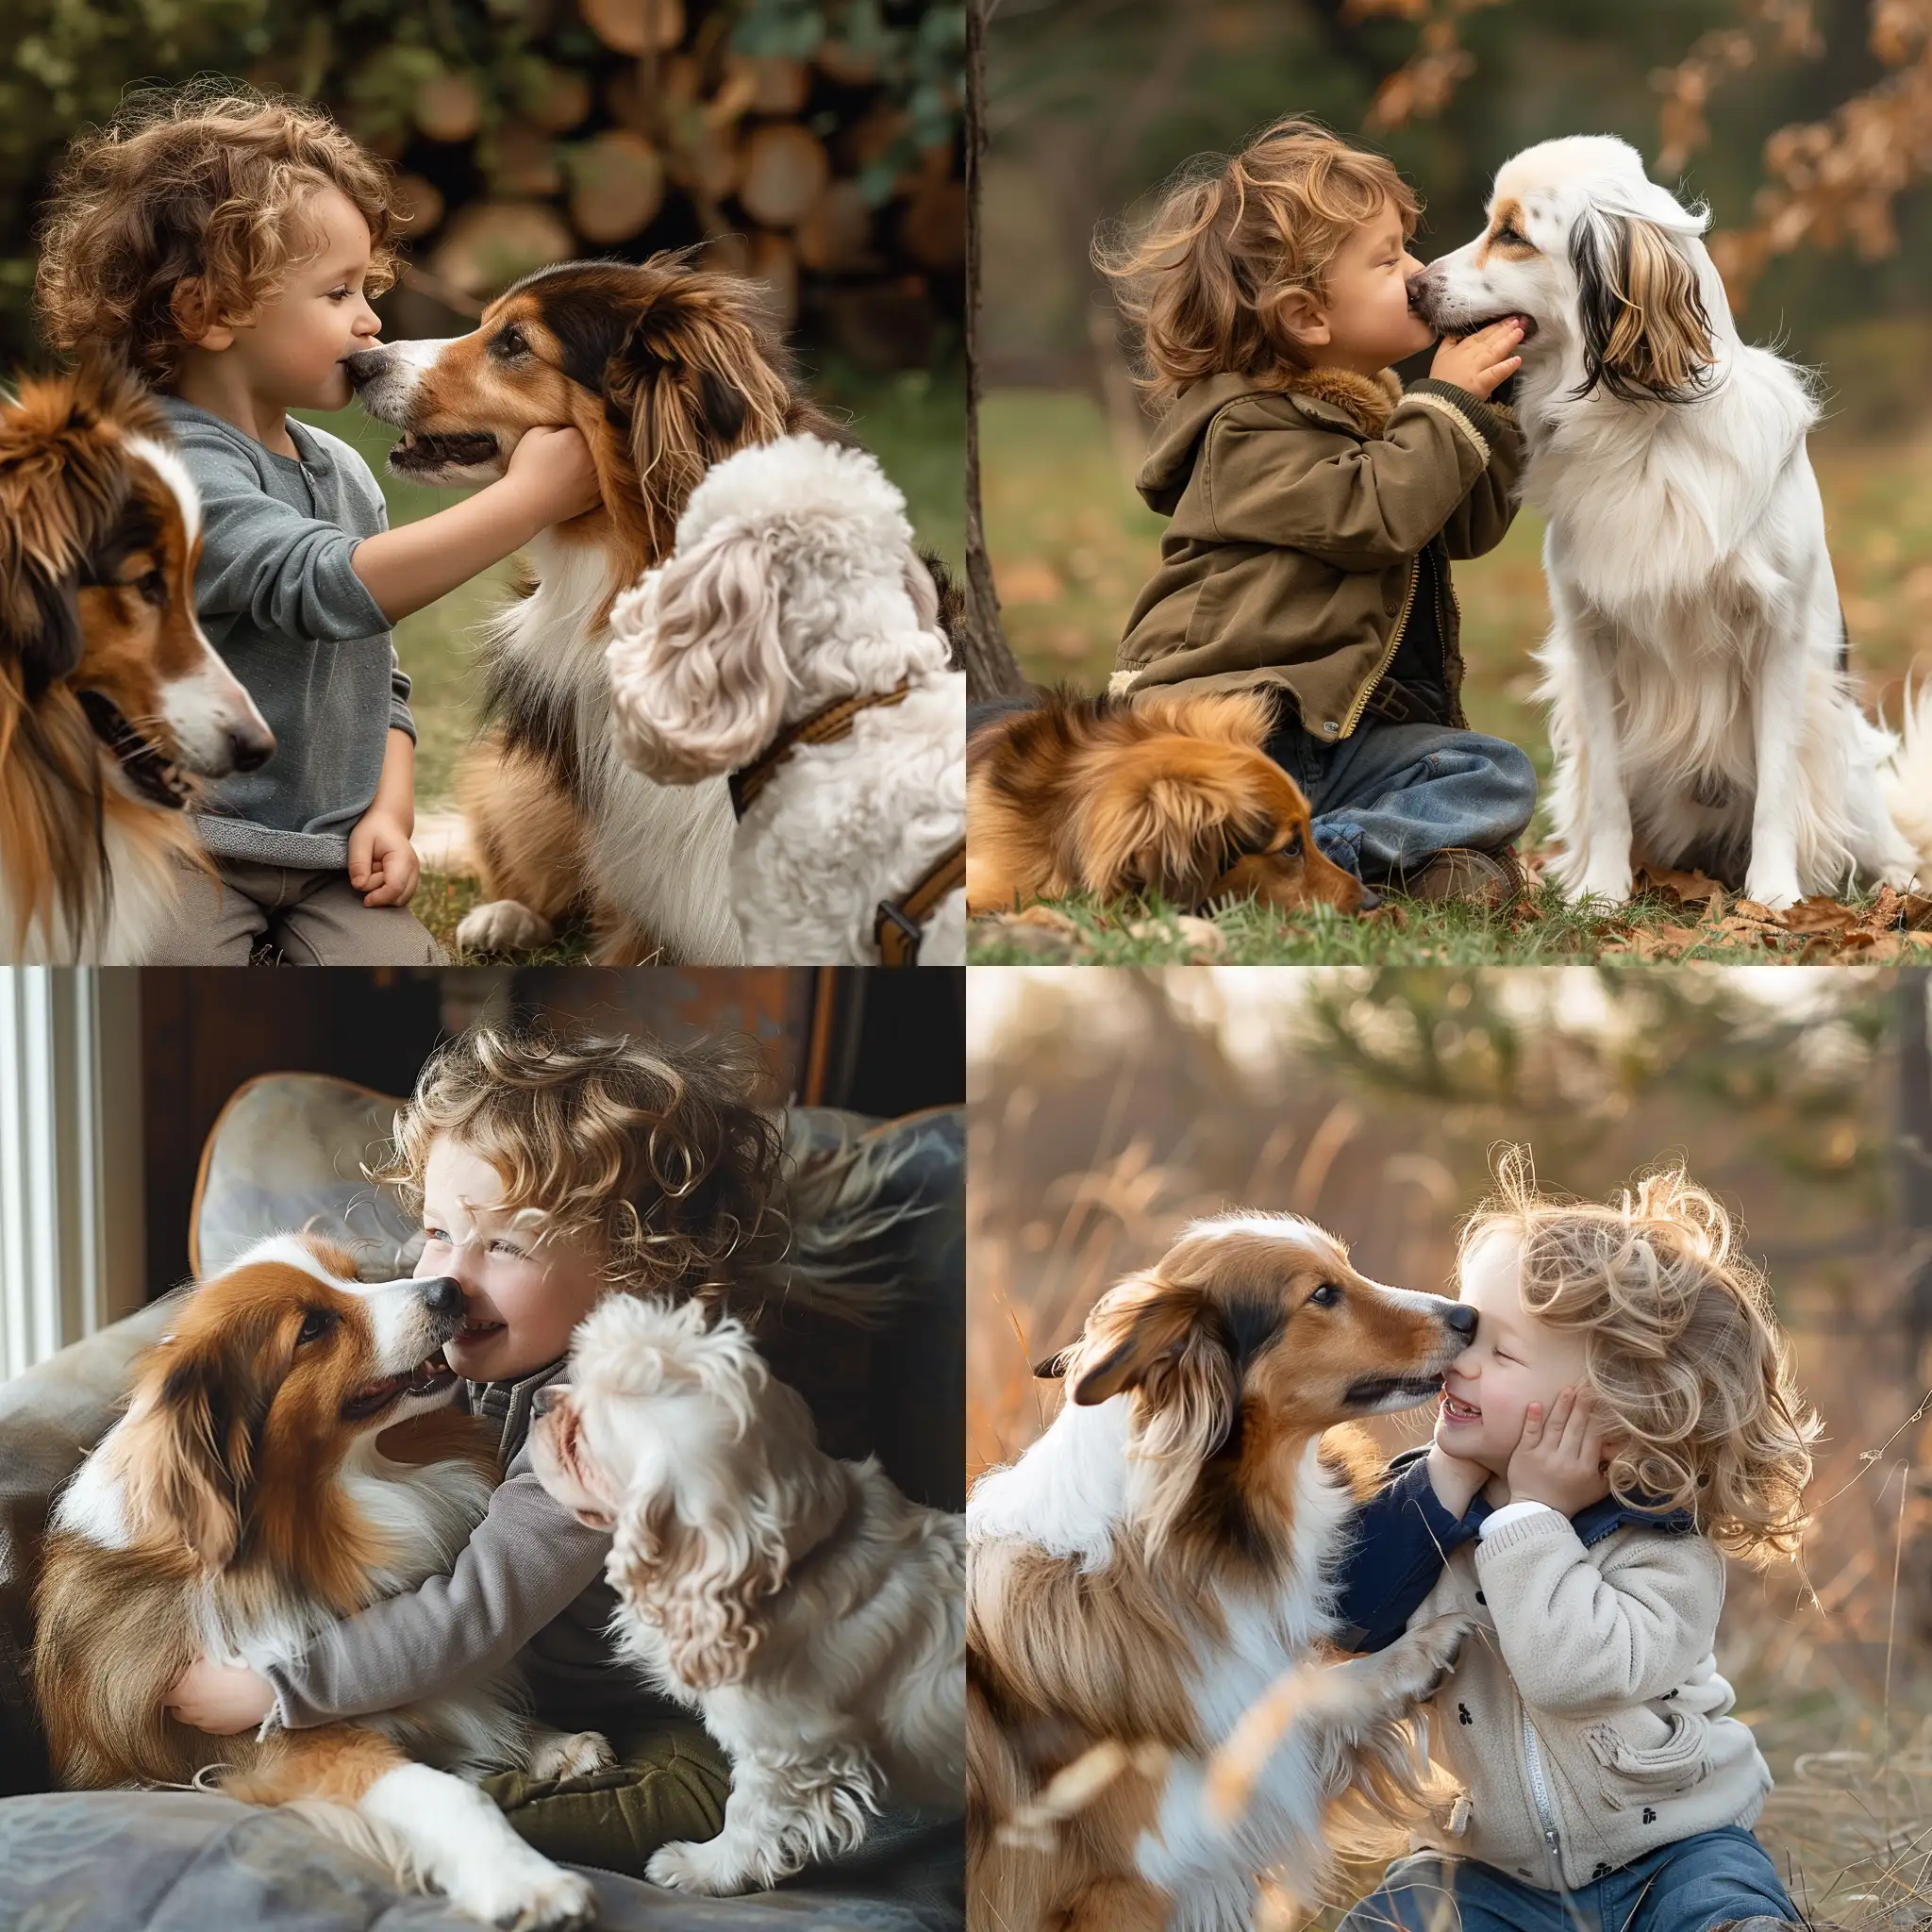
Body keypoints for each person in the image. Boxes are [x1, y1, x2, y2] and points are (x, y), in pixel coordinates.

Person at [166, 1024, 794, 1871]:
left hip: (672, 1709)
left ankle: (423, 1826)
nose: (448, 1276)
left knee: (666, 1801)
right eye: (436, 1228)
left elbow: (474, 1614)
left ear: (632, 1272)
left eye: (505, 1244)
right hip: (529, 1683)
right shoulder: (479, 1322)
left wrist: (280, 1689)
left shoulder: (608, 1425)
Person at [33, 84, 600, 964]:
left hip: (331, 855)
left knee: (408, 979)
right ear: (208, 313)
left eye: (366, 287)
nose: (371, 321)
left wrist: (389, 807)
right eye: (337, 293)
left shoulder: (337, 471)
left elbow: (382, 678)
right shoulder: (164, 474)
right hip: (189, 851)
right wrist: (527, 501)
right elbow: (319, 586)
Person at [1333, 1150, 1819, 1932]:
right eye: (1467, 1332)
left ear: (1617, 1413)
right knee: (1391, 1919)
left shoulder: (1664, 1549)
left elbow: (1574, 1674)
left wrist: (1531, 1516)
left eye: (1502, 1354)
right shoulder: (1433, 1503)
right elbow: (1349, 1618)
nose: (1457, 1362)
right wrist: (1447, 1483)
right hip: (1495, 1871)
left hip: (1673, 1851)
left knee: (1726, 1911)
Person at [1097, 115, 1537, 906]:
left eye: (1409, 247)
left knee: (1492, 771)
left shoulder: (1391, 413)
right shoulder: (1248, 430)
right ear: (1307, 317)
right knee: (1484, 787)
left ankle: (1364, 856)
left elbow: (1464, 526)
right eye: (1388, 259)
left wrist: (1489, 403)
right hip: (1233, 736)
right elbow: (1377, 518)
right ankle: (1312, 859)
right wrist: (1445, 406)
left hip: (1336, 741)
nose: (1417, 270)